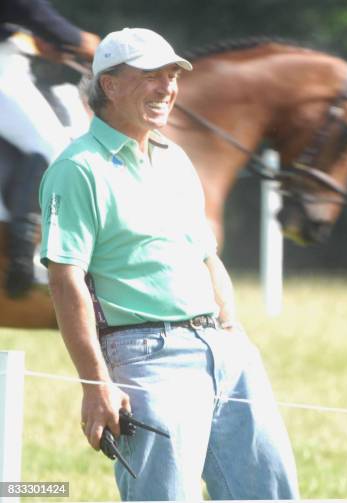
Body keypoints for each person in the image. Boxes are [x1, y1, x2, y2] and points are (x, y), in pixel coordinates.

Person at [39, 27, 298, 501]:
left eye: (172, 76)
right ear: (110, 86)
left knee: (270, 492)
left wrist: (233, 331)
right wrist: (96, 383)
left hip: (223, 350)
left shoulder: (175, 158)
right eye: (151, 76)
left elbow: (206, 255)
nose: (168, 88)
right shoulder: (77, 169)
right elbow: (65, 279)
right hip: (146, 358)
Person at [0, 0, 99, 297]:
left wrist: (35, 43)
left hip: (14, 63)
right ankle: (23, 258)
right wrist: (79, 40)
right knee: (51, 145)